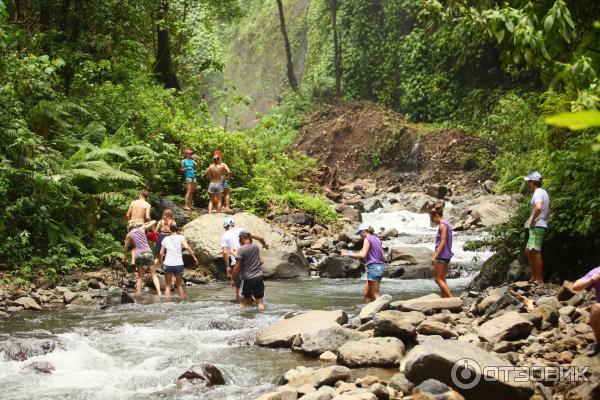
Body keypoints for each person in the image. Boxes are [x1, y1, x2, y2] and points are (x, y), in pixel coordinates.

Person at [221, 217, 268, 302]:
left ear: (225, 226)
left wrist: (227, 267)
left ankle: (243, 309)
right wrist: (265, 245)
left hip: (237, 263)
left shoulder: (225, 235)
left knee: (239, 290)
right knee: (255, 291)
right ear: (233, 224)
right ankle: (257, 306)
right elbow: (260, 238)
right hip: (252, 263)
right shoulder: (242, 231)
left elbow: (225, 252)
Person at [342, 223, 385, 304]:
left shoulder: (367, 239)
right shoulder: (377, 239)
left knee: (375, 295)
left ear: (363, 231)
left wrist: (347, 254)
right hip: (379, 267)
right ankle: (368, 312)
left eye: (360, 233)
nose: (360, 235)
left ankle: (387, 310)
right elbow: (383, 256)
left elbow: (362, 255)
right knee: (367, 293)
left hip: (374, 268)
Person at [158, 224, 198, 300]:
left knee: (168, 286)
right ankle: (182, 303)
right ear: (177, 230)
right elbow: (186, 247)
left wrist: (161, 263)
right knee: (179, 285)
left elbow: (161, 253)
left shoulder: (166, 239)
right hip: (178, 263)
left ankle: (167, 303)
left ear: (170, 230)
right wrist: (194, 257)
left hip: (168, 263)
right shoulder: (181, 237)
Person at [524, 171, 550, 285]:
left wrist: (533, 220)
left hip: (538, 225)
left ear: (533, 182)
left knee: (535, 251)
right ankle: (534, 277)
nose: (527, 184)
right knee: (528, 251)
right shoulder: (542, 192)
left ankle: (539, 280)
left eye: (528, 181)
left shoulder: (538, 192)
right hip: (538, 224)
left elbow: (538, 207)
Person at [124, 220, 162, 296]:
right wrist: (145, 224)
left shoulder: (128, 235)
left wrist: (125, 257)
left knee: (140, 276)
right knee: (154, 275)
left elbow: (125, 248)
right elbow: (154, 221)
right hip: (148, 252)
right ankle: (159, 293)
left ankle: (138, 294)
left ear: (128, 228)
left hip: (138, 255)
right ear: (135, 225)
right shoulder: (142, 228)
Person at [232, 230, 266, 310]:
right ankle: (262, 318)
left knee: (243, 303)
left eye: (239, 238)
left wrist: (233, 278)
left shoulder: (241, 249)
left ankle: (242, 320)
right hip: (258, 277)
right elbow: (261, 261)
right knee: (260, 303)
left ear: (242, 238)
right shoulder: (255, 247)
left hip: (247, 279)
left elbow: (237, 266)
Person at [572, 266, 600, 356]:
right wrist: (592, 280)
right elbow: (575, 287)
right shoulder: (598, 271)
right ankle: (599, 344)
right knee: (596, 308)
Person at [430, 206, 453, 298]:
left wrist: (435, 256)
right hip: (447, 255)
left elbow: (443, 241)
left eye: (431, 218)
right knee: (443, 279)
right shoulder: (447, 224)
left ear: (436, 215)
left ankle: (451, 299)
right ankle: (445, 300)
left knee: (438, 279)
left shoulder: (442, 225)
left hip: (442, 256)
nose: (432, 220)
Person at [125, 190, 151, 264]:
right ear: (146, 197)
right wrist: (150, 225)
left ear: (140, 195)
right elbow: (147, 216)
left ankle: (133, 262)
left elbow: (127, 215)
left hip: (132, 225)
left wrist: (129, 222)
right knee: (139, 245)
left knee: (133, 245)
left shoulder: (133, 203)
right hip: (140, 226)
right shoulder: (147, 205)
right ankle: (138, 264)